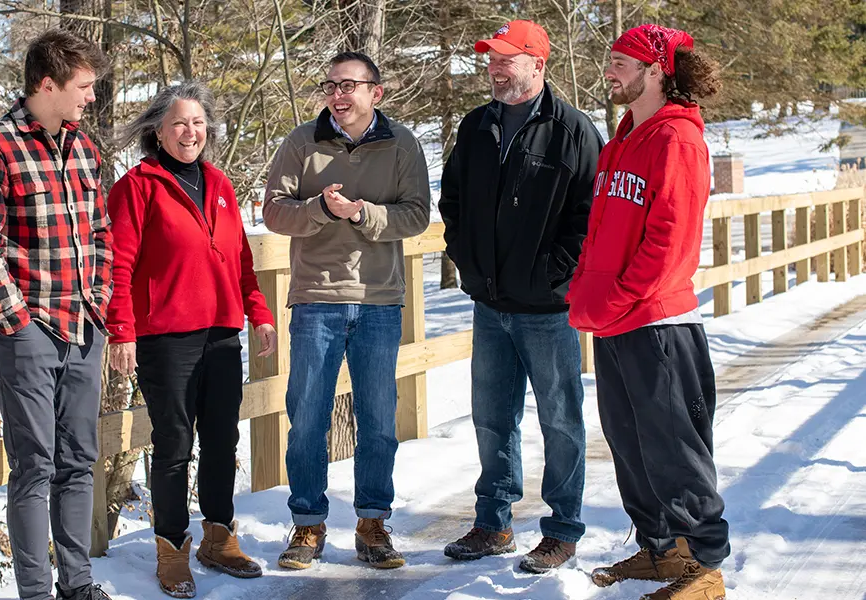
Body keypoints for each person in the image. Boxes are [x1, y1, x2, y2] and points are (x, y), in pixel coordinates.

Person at [567, 24, 729, 600]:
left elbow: (672, 241)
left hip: (657, 320)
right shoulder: (622, 138)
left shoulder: (677, 140)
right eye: (609, 61)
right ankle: (662, 553)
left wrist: (614, 296)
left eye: (620, 62)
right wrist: (588, 290)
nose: (609, 71)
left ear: (656, 69)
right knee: (630, 444)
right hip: (615, 320)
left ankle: (704, 567)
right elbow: (601, 230)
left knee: (673, 448)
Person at [438, 20, 603, 572]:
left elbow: (589, 218)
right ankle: (493, 523)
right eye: (491, 57)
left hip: (548, 311)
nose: (494, 66)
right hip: (489, 305)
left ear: (537, 62)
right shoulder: (476, 125)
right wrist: (465, 256)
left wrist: (553, 274)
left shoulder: (574, 130)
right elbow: (453, 199)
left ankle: (561, 529)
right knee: (491, 417)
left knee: (560, 419)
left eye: (506, 58)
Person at [0, 29, 113, 600]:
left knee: (79, 462)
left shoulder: (85, 149)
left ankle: (79, 585)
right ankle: (36, 592)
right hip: (26, 332)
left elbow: (100, 232)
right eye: (83, 87)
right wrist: (16, 318)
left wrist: (98, 300)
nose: (90, 98)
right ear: (47, 85)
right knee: (34, 467)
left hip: (82, 326)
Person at [105, 82, 277, 599]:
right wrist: (121, 330)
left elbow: (241, 262)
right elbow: (119, 264)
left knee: (223, 440)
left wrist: (259, 314)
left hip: (222, 333)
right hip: (166, 337)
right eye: (179, 123)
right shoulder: (138, 186)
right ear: (157, 131)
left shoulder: (220, 184)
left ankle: (219, 539)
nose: (190, 132)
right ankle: (171, 550)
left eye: (198, 123)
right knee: (175, 444)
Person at [263, 51, 431, 570]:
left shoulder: (402, 143)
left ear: (375, 93)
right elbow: (272, 210)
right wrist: (317, 209)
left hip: (380, 301)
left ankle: (373, 523)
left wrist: (361, 213)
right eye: (331, 85)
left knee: (378, 420)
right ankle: (308, 525)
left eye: (349, 85)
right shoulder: (300, 142)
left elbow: (418, 214)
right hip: (316, 299)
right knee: (307, 418)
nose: (338, 94)